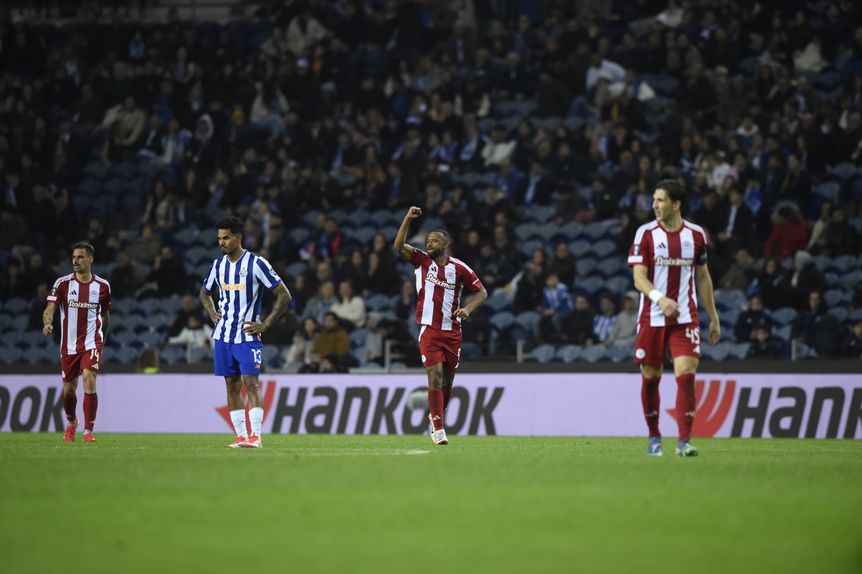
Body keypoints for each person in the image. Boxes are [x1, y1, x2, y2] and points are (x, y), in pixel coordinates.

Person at [628, 180, 720, 457]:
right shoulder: (645, 233)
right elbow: (638, 279)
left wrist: (713, 316)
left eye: (660, 200)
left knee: (686, 375)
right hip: (652, 317)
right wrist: (660, 299)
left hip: (685, 318)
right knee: (651, 378)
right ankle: (654, 438)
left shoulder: (696, 235)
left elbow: (703, 276)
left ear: (676, 204)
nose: (654, 205)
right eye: (653, 200)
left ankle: (684, 442)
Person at [394, 206, 487, 446]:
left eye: (434, 240)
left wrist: (468, 309)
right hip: (429, 330)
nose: (429, 244)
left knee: (447, 382)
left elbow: (482, 292)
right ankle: (438, 429)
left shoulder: (460, 268)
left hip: (452, 332)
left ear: (445, 244)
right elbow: (398, 246)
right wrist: (407, 219)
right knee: (434, 377)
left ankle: (435, 415)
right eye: (427, 240)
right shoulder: (421, 261)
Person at [200, 217, 292, 449]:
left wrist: (265, 324)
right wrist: (212, 313)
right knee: (231, 385)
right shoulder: (218, 266)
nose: (221, 242)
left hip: (247, 334)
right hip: (223, 335)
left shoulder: (256, 263)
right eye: (219, 238)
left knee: (251, 384)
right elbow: (204, 293)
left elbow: (284, 295)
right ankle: (241, 436)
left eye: (226, 237)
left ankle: (256, 437)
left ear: (238, 237)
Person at [42, 241, 112, 443]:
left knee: (89, 379)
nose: (75, 261)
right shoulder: (62, 284)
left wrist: (103, 339)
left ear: (90, 259)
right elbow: (49, 309)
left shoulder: (102, 286)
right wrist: (47, 322)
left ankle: (88, 431)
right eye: (74, 257)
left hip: (92, 342)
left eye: (80, 257)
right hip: (69, 345)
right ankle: (72, 422)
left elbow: (105, 315)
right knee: (68, 390)